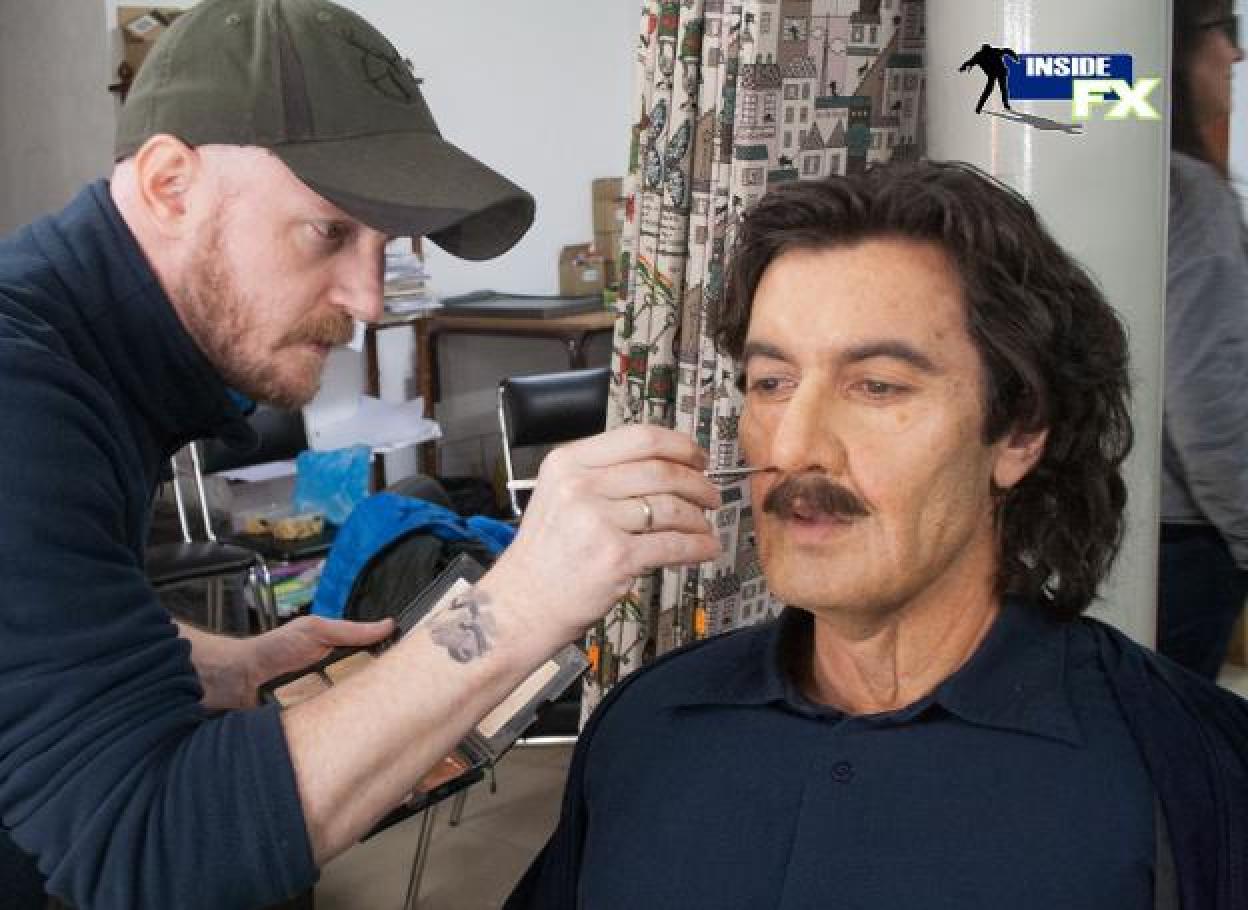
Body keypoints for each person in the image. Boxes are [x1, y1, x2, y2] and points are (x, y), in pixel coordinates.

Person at [0, 2, 721, 907]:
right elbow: (150, 848)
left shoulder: (87, 358)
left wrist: (204, 661)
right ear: (169, 185)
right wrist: (516, 605)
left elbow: (38, 625)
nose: (371, 300)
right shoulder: (22, 396)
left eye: (387, 244)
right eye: (330, 231)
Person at [505, 162, 1248, 910]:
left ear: (1020, 432)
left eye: (878, 386)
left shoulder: (1183, 767)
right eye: (771, 383)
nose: (793, 447)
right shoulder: (649, 723)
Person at [1157, 0, 1248, 679]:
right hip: (1186, 543)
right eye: (1226, 31)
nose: (1236, 53)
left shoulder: (1129, 184)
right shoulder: (1189, 193)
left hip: (1086, 522)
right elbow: (1204, 395)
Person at [958, 43, 1019, 113]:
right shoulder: (993, 51)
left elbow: (970, 62)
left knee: (990, 90)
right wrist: (1015, 57)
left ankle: (979, 108)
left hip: (995, 73)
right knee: (1002, 89)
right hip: (999, 72)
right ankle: (1005, 105)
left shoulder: (980, 55)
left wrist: (963, 68)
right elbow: (1007, 51)